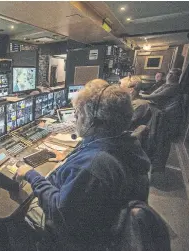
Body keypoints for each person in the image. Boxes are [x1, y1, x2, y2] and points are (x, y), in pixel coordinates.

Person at [11, 79, 151, 250]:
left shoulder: (93, 166)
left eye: (77, 113)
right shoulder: (124, 144)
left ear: (92, 120)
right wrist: (70, 158)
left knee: (14, 210)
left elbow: (58, 212)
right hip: (97, 224)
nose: (75, 118)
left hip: (71, 236)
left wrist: (30, 174)